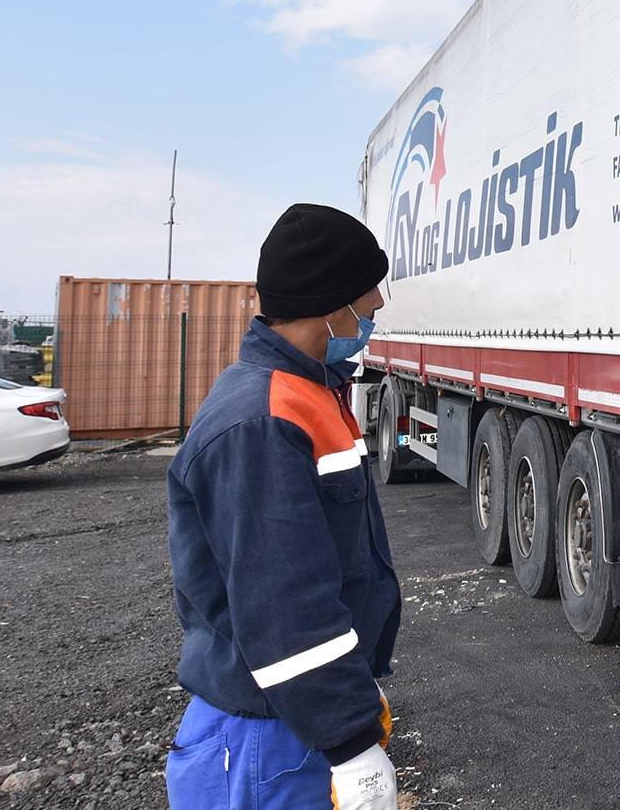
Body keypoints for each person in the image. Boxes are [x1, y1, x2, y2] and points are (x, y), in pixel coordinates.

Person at [165, 203, 401, 810]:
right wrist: (351, 743)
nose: (374, 313)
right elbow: (284, 604)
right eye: (366, 306)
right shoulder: (264, 420)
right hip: (262, 738)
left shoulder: (308, 394)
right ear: (332, 309)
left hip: (289, 719)